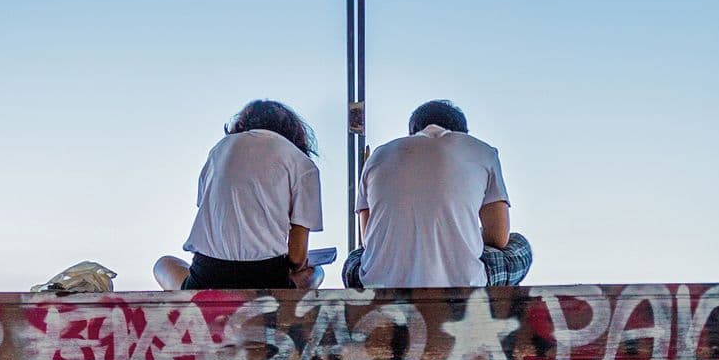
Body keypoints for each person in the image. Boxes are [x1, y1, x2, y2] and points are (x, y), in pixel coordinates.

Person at [342, 100, 532, 289]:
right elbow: (499, 237)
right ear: (462, 134)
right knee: (518, 244)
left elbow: (368, 238)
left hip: (378, 287)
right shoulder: (482, 151)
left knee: (356, 257)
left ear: (412, 132)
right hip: (464, 286)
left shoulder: (378, 156)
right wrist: (461, 230)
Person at [155, 100, 324, 291]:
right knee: (316, 271)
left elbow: (206, 208)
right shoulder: (302, 163)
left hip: (207, 279)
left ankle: (190, 298)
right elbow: (297, 258)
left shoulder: (219, 149)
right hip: (269, 282)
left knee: (163, 263)